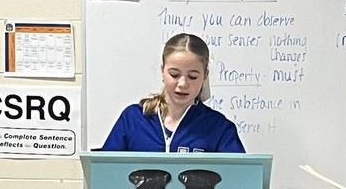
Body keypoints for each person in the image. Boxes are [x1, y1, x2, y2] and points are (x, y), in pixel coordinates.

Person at [101, 33, 245, 153]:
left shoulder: (219, 128)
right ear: (162, 71)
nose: (182, 84)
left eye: (193, 76)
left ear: (205, 76)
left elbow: (241, 180)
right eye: (174, 74)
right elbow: (104, 174)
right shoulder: (133, 119)